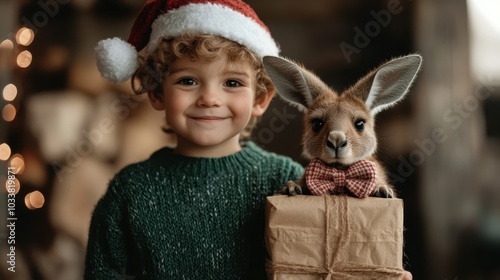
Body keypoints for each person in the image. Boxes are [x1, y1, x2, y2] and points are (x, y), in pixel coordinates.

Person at [85, 0, 303, 279]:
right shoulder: (130, 191)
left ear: (260, 98)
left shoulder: (286, 180)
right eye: (188, 81)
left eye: (232, 83)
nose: (210, 99)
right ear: (157, 94)